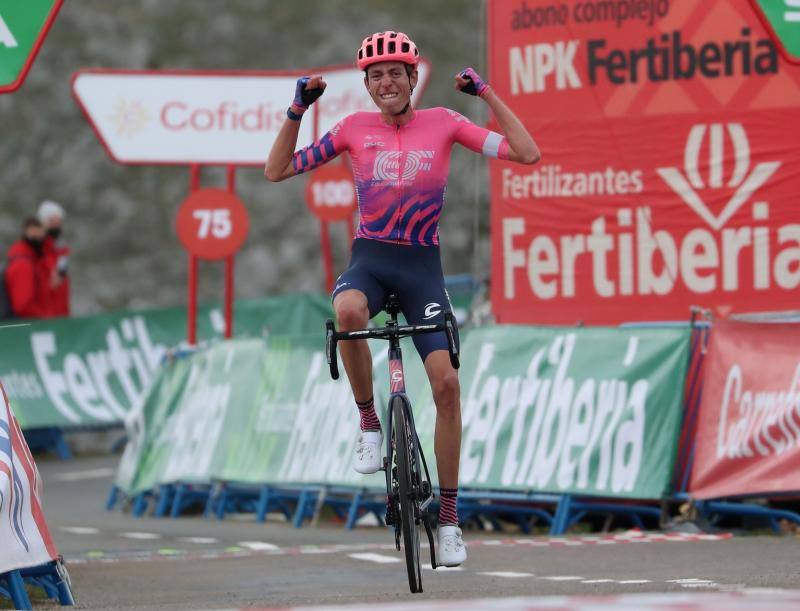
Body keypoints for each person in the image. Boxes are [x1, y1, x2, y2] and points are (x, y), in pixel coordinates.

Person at [265, 31, 540, 567]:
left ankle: (451, 518)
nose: (385, 82)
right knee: (346, 311)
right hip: (370, 263)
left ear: (413, 78)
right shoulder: (351, 129)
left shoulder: (445, 123)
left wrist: (485, 94)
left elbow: (527, 154)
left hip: (421, 272)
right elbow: (276, 170)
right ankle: (369, 421)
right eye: (375, 75)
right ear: (366, 85)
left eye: (395, 73)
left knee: (447, 386)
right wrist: (297, 109)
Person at [4, 218, 51, 319]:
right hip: (29, 328)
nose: (40, 238)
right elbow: (23, 305)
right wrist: (46, 317)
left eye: (41, 234)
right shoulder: (23, 264)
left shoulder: (33, 262)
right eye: (34, 233)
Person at [38, 200, 70, 317]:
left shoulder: (61, 249)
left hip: (60, 313)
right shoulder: (38, 248)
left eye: (58, 221)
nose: (56, 225)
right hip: (44, 314)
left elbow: (62, 279)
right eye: (52, 221)